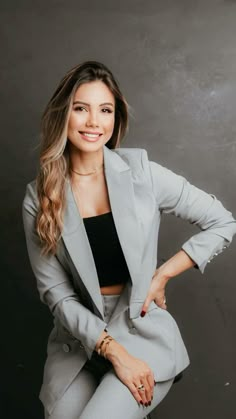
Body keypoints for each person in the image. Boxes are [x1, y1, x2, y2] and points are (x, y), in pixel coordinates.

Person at [22, 61, 236, 419]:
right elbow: (56, 294)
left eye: (104, 110)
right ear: (63, 115)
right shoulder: (38, 195)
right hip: (78, 340)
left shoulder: (142, 174)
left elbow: (222, 222)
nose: (93, 122)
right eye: (81, 108)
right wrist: (112, 351)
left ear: (115, 117)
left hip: (141, 330)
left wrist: (162, 275)